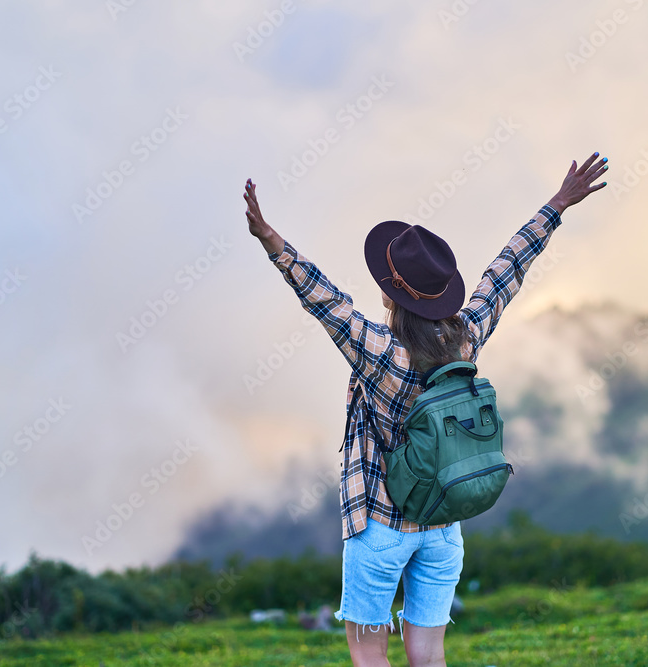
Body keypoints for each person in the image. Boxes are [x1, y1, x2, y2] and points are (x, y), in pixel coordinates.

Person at [244, 152, 608, 666]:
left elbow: (325, 300)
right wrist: (557, 205)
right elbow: (505, 273)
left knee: (370, 656)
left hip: (380, 523)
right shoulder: (466, 339)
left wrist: (271, 241)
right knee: (429, 657)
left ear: (390, 294)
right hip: (442, 524)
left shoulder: (381, 354)